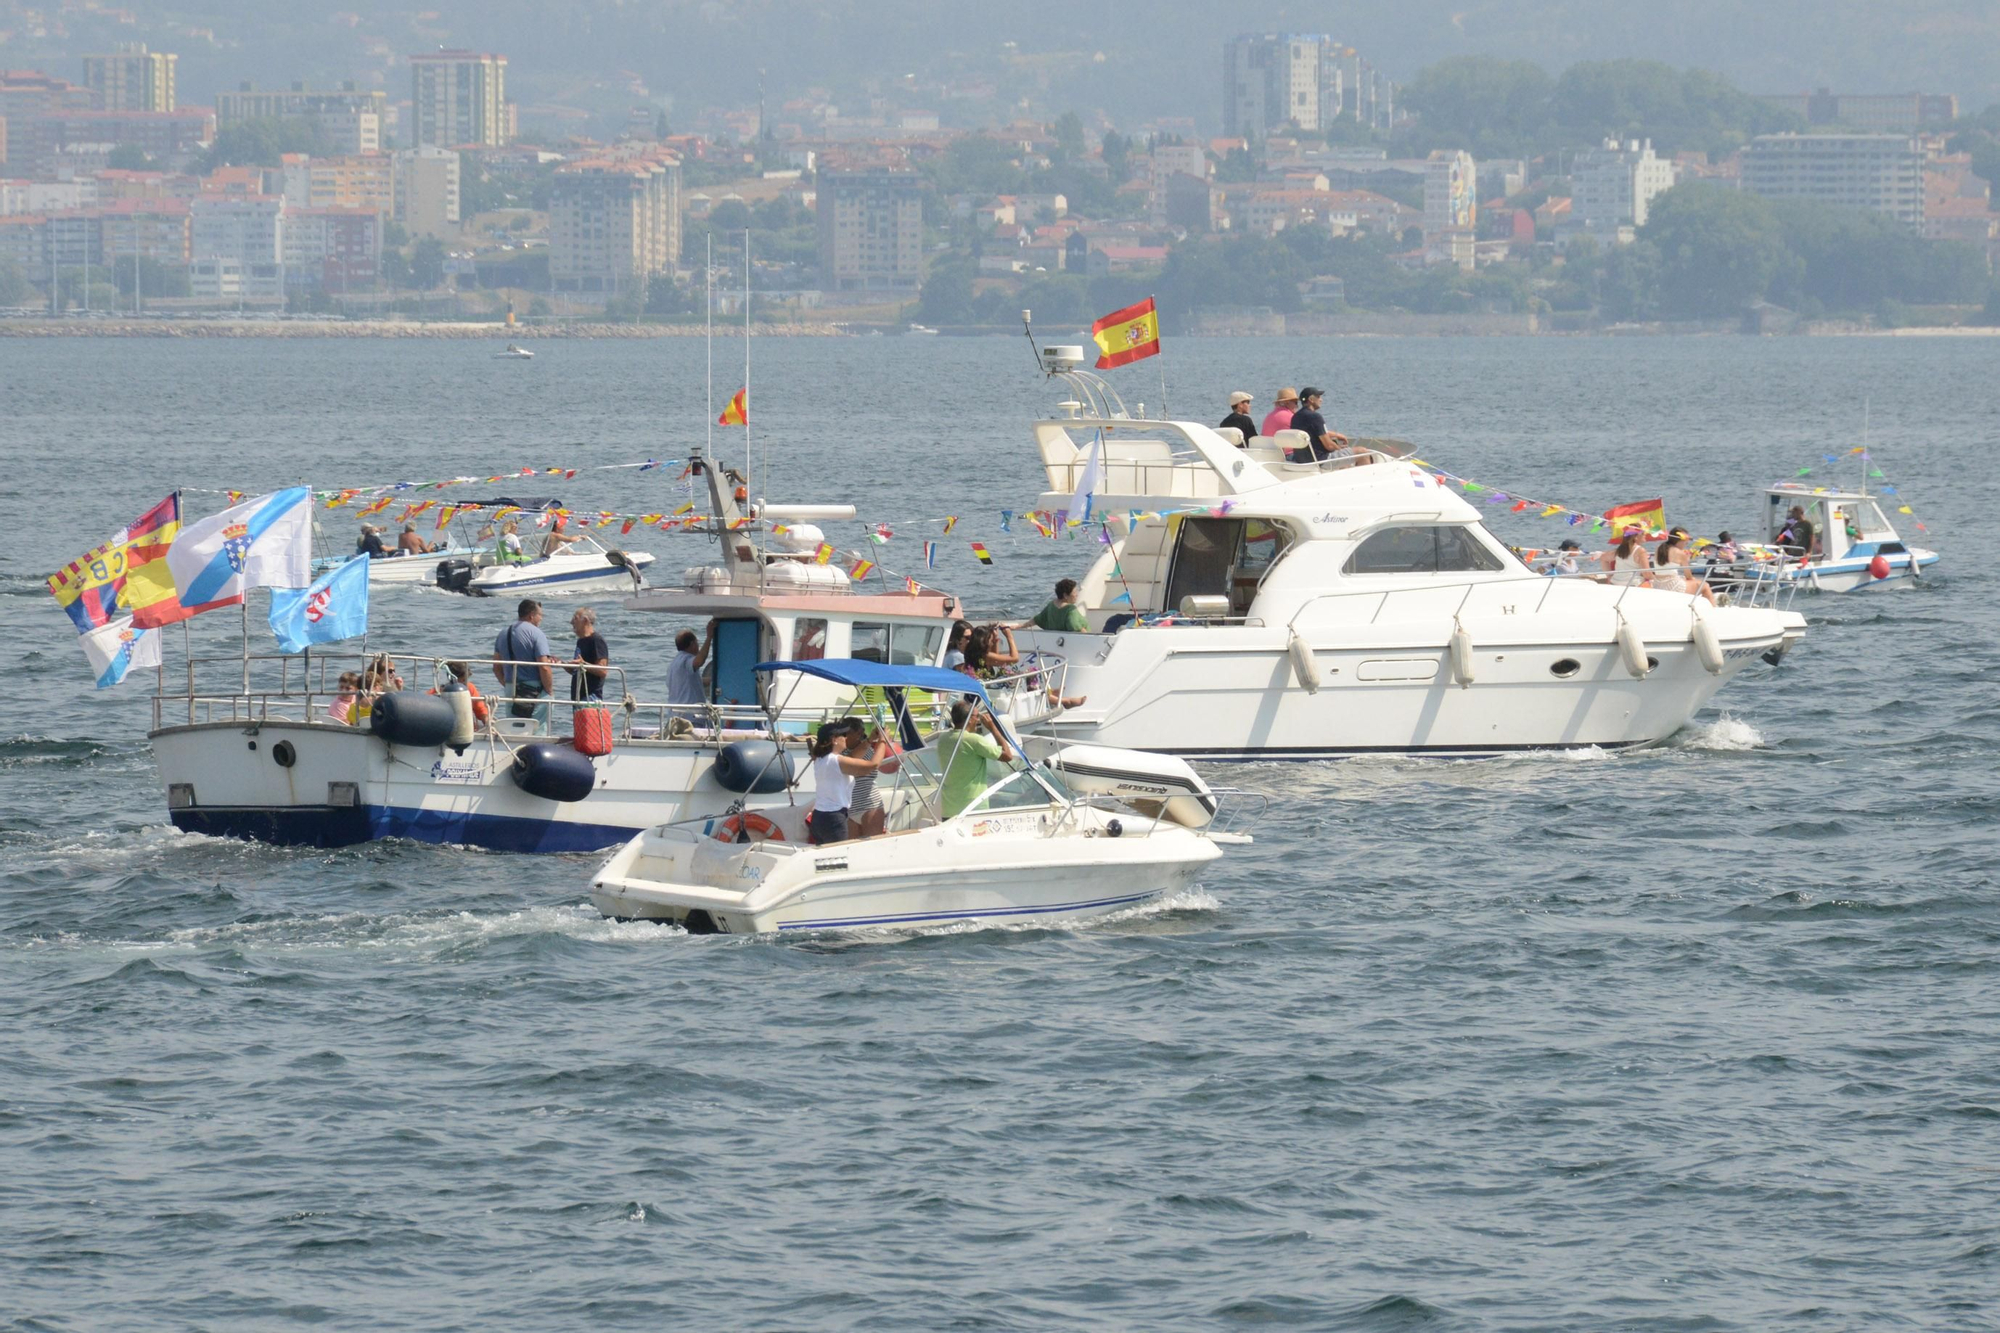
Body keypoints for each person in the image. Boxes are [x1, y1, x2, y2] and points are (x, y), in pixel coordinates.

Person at [805, 719, 892, 845]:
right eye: (843, 735)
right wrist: (883, 740)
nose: (845, 738)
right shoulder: (836, 761)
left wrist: (870, 740)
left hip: (820, 817)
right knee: (841, 857)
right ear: (834, 740)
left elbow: (852, 758)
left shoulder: (821, 759)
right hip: (834, 818)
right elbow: (873, 765)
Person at [933, 698, 1013, 819]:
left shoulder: (943, 739)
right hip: (973, 809)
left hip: (949, 808)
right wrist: (992, 728)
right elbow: (1007, 755)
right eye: (977, 716)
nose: (979, 719)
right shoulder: (973, 740)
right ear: (970, 719)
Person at [492, 598, 555, 721]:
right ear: (532, 616)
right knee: (538, 727)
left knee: (514, 727)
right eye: (540, 615)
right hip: (533, 689)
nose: (541, 619)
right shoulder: (536, 633)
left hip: (511, 687)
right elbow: (544, 666)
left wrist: (507, 685)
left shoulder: (503, 633)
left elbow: (496, 667)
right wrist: (549, 690)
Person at [843, 719, 901, 839]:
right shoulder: (841, 753)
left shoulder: (869, 750)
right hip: (849, 808)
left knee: (872, 847)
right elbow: (852, 759)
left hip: (869, 805)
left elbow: (870, 764)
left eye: (862, 733)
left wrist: (880, 740)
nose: (861, 737)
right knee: (852, 849)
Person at [1287, 387, 1350, 463]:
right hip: (1320, 460)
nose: (1321, 400)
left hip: (1301, 460)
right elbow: (1329, 446)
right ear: (1311, 399)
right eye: (1318, 397)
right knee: (1362, 452)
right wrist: (1340, 449)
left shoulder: (1295, 417)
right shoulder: (1315, 417)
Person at [667, 624, 712, 723]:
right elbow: (699, 661)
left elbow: (687, 682)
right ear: (693, 644)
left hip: (674, 715)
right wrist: (709, 638)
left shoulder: (674, 664)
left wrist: (711, 680)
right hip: (690, 717)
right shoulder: (686, 660)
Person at [567, 606, 610, 702]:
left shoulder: (596, 640)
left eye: (575, 618)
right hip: (578, 697)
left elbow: (603, 671)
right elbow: (581, 670)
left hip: (590, 696)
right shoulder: (581, 641)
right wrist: (564, 665)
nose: (571, 622)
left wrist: (583, 664)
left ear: (585, 621)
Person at [428, 660, 490, 724]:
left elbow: (480, 710)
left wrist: (487, 722)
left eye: (466, 679)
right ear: (453, 678)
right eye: (463, 680)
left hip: (467, 728)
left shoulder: (470, 688)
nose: (465, 683)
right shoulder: (438, 692)